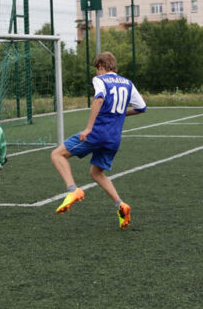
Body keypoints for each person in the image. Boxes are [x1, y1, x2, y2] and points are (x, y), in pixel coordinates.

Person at [50, 52, 146, 229]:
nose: (96, 73)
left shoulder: (100, 80)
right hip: (114, 138)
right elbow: (141, 108)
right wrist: (121, 113)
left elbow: (99, 99)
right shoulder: (128, 83)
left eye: (97, 69)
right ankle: (121, 205)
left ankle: (73, 190)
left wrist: (88, 128)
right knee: (96, 173)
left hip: (98, 133)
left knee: (57, 155)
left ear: (101, 66)